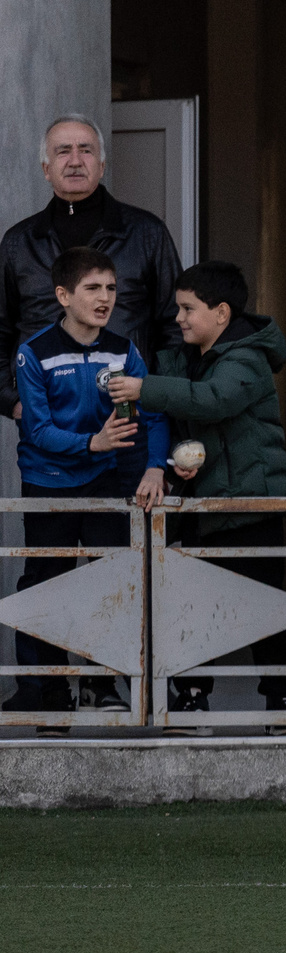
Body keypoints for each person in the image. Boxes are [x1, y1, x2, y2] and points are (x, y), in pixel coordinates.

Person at [105, 260, 286, 729]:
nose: (179, 318)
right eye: (178, 308)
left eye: (189, 309)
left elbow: (213, 401)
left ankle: (282, 704)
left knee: (267, 610)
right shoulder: (180, 359)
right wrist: (173, 464)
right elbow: (179, 420)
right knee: (189, 604)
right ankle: (191, 698)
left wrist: (143, 387)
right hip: (202, 507)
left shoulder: (247, 359)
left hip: (254, 506)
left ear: (222, 314)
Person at [7, 248, 164, 721]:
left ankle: (100, 682)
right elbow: (35, 430)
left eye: (111, 288)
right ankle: (45, 692)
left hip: (106, 482)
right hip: (49, 484)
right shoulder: (33, 352)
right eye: (92, 288)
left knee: (109, 583)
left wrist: (154, 466)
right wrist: (92, 443)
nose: (105, 298)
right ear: (63, 295)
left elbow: (151, 412)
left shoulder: (124, 350)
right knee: (46, 585)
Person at [0, 114, 185, 419]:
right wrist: (13, 402)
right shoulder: (19, 242)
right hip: (47, 417)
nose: (75, 161)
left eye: (85, 150)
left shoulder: (145, 233)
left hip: (127, 412)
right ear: (46, 169)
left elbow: (174, 324)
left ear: (101, 165)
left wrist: (153, 394)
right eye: (63, 151)